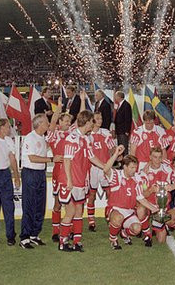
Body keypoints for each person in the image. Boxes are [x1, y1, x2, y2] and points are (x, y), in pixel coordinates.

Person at [58, 110, 106, 252]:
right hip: (71, 181)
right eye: (92, 121)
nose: (94, 123)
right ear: (87, 122)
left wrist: (105, 167)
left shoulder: (85, 139)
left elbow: (92, 157)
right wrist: (69, 180)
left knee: (79, 212)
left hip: (81, 181)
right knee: (71, 212)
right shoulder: (72, 138)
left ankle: (77, 242)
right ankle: (63, 242)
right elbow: (67, 160)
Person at [103, 150, 158, 250]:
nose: (134, 170)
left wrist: (153, 208)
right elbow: (106, 169)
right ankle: (113, 239)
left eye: (135, 168)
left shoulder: (136, 180)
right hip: (115, 209)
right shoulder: (117, 176)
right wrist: (116, 154)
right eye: (132, 168)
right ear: (125, 167)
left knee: (137, 229)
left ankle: (124, 233)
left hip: (129, 211)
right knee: (118, 218)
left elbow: (140, 197)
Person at [20, 113, 58, 249]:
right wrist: (52, 159)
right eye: (46, 122)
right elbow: (32, 158)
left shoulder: (42, 137)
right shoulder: (30, 138)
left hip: (40, 172)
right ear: (40, 124)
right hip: (30, 172)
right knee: (29, 205)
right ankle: (24, 237)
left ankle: (34, 234)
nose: (48, 124)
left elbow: (52, 130)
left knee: (40, 205)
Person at [0, 118, 21, 245]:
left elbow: (12, 159)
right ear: (1, 127)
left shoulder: (9, 141)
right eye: (8, 126)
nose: (9, 129)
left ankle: (10, 235)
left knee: (9, 206)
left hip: (5, 175)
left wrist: (16, 176)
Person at [136, 147, 173, 246]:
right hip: (148, 204)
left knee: (161, 241)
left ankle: (159, 224)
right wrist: (151, 190)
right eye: (155, 157)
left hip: (162, 205)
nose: (157, 160)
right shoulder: (143, 173)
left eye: (160, 157)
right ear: (150, 157)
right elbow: (143, 194)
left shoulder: (168, 170)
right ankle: (147, 232)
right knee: (140, 210)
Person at [87, 111, 116, 231]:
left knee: (110, 193)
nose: (100, 120)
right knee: (92, 194)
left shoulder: (105, 133)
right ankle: (91, 220)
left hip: (105, 168)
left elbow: (112, 148)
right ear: (92, 120)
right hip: (93, 169)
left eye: (101, 118)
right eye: (98, 119)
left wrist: (114, 153)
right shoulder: (87, 135)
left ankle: (109, 216)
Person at [45, 97, 69, 242]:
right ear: (60, 122)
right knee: (58, 202)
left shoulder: (73, 134)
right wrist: (58, 108)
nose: (68, 123)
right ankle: (55, 230)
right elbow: (52, 122)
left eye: (68, 121)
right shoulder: (54, 135)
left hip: (72, 172)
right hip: (58, 171)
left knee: (71, 203)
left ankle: (69, 229)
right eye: (65, 120)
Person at [114, 91, 132, 155]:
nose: (115, 98)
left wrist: (127, 130)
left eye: (115, 96)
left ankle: (126, 162)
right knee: (120, 148)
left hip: (123, 131)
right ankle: (122, 163)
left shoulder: (126, 105)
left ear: (119, 97)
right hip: (119, 130)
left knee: (124, 147)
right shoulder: (119, 105)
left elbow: (128, 119)